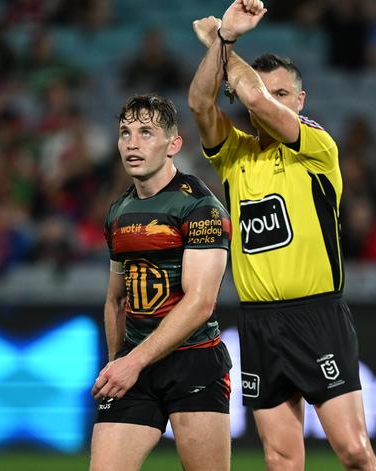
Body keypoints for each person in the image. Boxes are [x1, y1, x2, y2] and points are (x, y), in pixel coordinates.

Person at [188, 0, 376, 471]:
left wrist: (223, 40)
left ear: (300, 101)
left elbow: (251, 95)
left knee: (355, 453)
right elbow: (198, 102)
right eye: (266, 92)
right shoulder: (235, 154)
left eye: (282, 95)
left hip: (317, 315)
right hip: (259, 322)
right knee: (280, 458)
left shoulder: (316, 147)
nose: (268, 102)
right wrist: (223, 45)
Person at [89, 94, 233, 471]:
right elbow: (116, 301)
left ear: (174, 144)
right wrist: (117, 363)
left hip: (194, 364)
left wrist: (131, 362)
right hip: (135, 365)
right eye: (125, 133)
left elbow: (201, 302)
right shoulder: (119, 211)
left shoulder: (200, 208)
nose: (132, 143)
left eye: (146, 133)